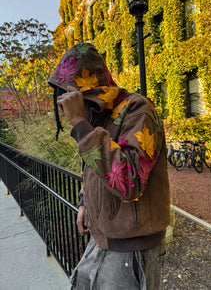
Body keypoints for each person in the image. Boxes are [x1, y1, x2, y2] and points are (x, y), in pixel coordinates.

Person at [48, 42, 170, 290]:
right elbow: (93, 171)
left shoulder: (137, 109)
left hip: (133, 245)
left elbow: (129, 181)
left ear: (88, 91)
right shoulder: (98, 117)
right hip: (102, 237)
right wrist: (84, 204)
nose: (63, 106)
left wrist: (81, 126)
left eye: (67, 95)